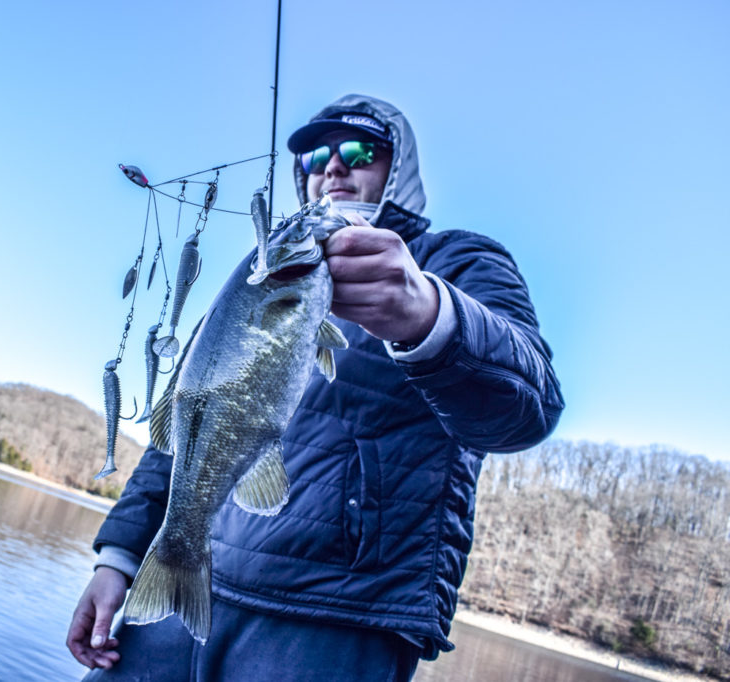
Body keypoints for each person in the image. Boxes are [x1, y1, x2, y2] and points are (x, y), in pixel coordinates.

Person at [66, 94, 564, 681]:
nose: (332, 167)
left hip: (341, 612)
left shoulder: (457, 259)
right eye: (313, 158)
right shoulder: (260, 275)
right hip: (188, 587)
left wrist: (426, 312)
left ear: (397, 167)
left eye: (358, 150)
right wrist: (118, 558)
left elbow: (530, 408)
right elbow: (184, 429)